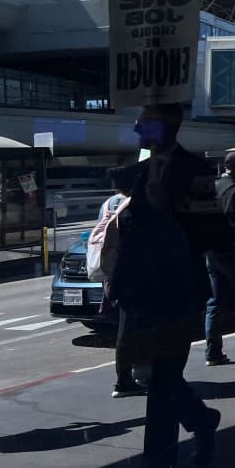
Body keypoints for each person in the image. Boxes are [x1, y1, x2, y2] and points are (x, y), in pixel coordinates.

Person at [108, 103, 225, 468]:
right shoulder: (140, 173)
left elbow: (210, 231)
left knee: (160, 377)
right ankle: (199, 421)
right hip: (142, 291)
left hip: (177, 289)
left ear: (167, 127)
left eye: (146, 122)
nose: (139, 128)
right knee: (152, 375)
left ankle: (158, 464)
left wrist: (167, 213)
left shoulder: (196, 171)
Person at [95, 166, 145, 399]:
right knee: (133, 326)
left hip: (110, 271)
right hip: (129, 274)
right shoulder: (132, 206)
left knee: (124, 327)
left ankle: (126, 375)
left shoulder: (109, 203)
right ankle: (128, 377)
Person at [205, 151, 235, 366]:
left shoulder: (213, 188)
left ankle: (213, 352)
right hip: (233, 253)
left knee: (215, 303)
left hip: (213, 252)